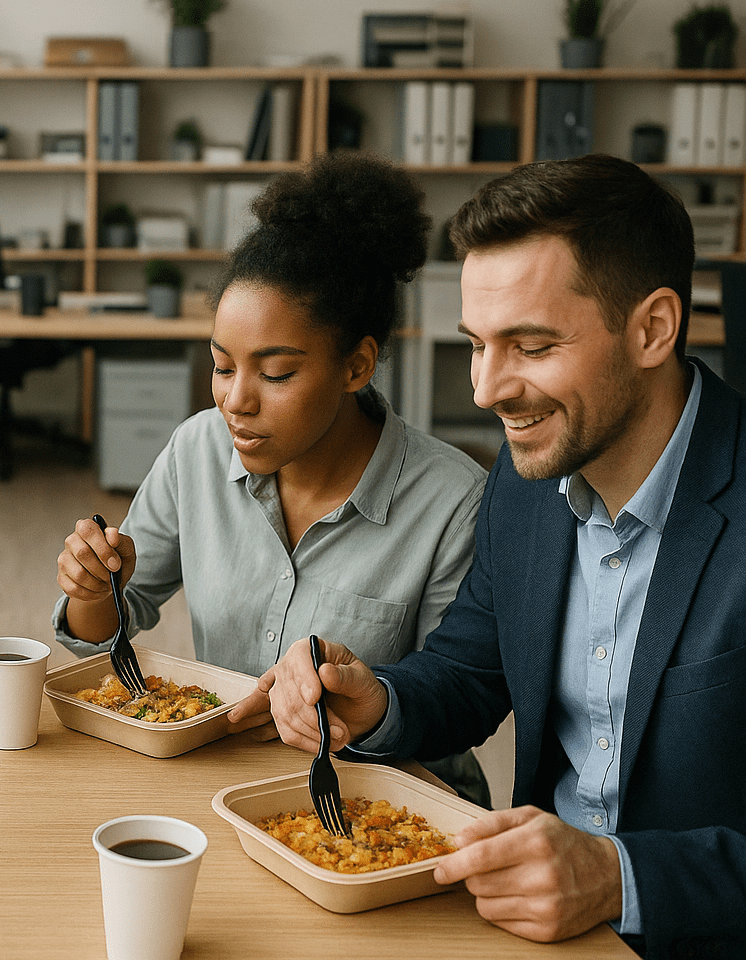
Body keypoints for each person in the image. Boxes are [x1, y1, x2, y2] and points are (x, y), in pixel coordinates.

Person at [237, 153, 746, 956]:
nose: (486, 390)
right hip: (523, 929)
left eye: (531, 346)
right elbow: (472, 673)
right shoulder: (527, 472)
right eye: (478, 343)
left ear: (652, 329)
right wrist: (377, 701)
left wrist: (621, 876)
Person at [53, 152, 489, 802]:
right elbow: (108, 631)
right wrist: (93, 588)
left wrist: (351, 702)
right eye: (223, 367)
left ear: (357, 365)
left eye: (276, 373)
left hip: (380, 804)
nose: (237, 400)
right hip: (228, 786)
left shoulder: (453, 500)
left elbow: (451, 705)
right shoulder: (197, 449)